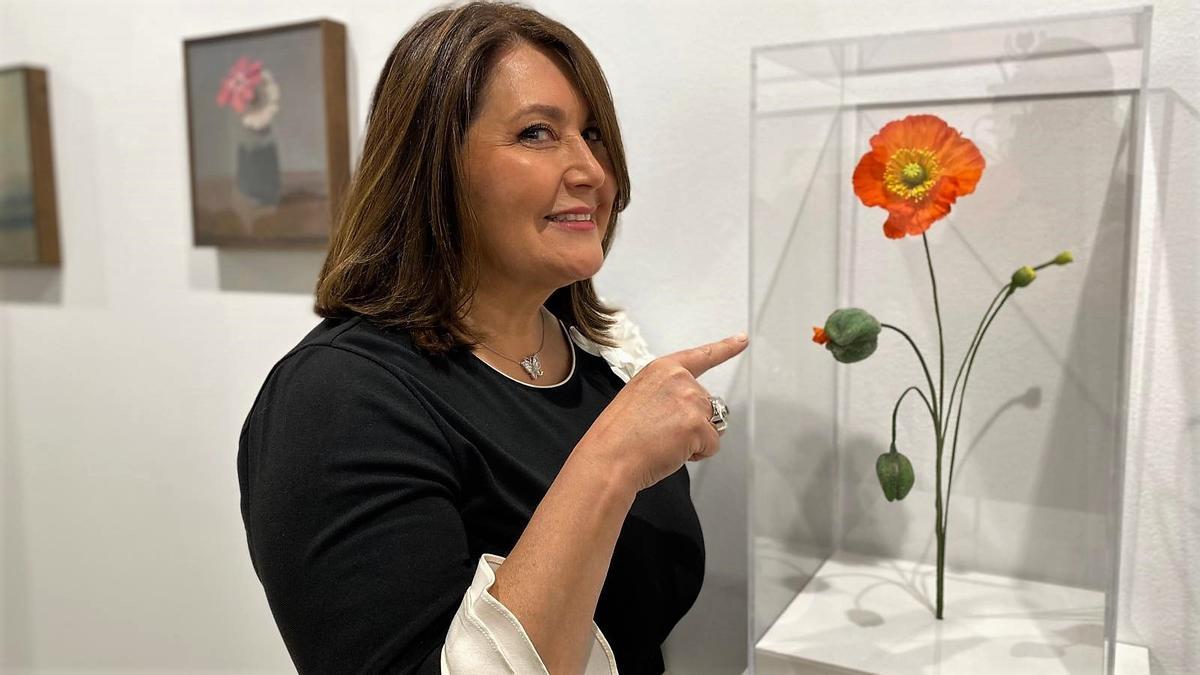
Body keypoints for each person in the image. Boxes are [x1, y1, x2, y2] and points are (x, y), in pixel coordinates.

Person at [236, 3, 748, 673]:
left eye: (592, 134)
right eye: (538, 133)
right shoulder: (337, 398)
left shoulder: (601, 357)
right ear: (433, 168)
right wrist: (612, 459)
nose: (590, 169)